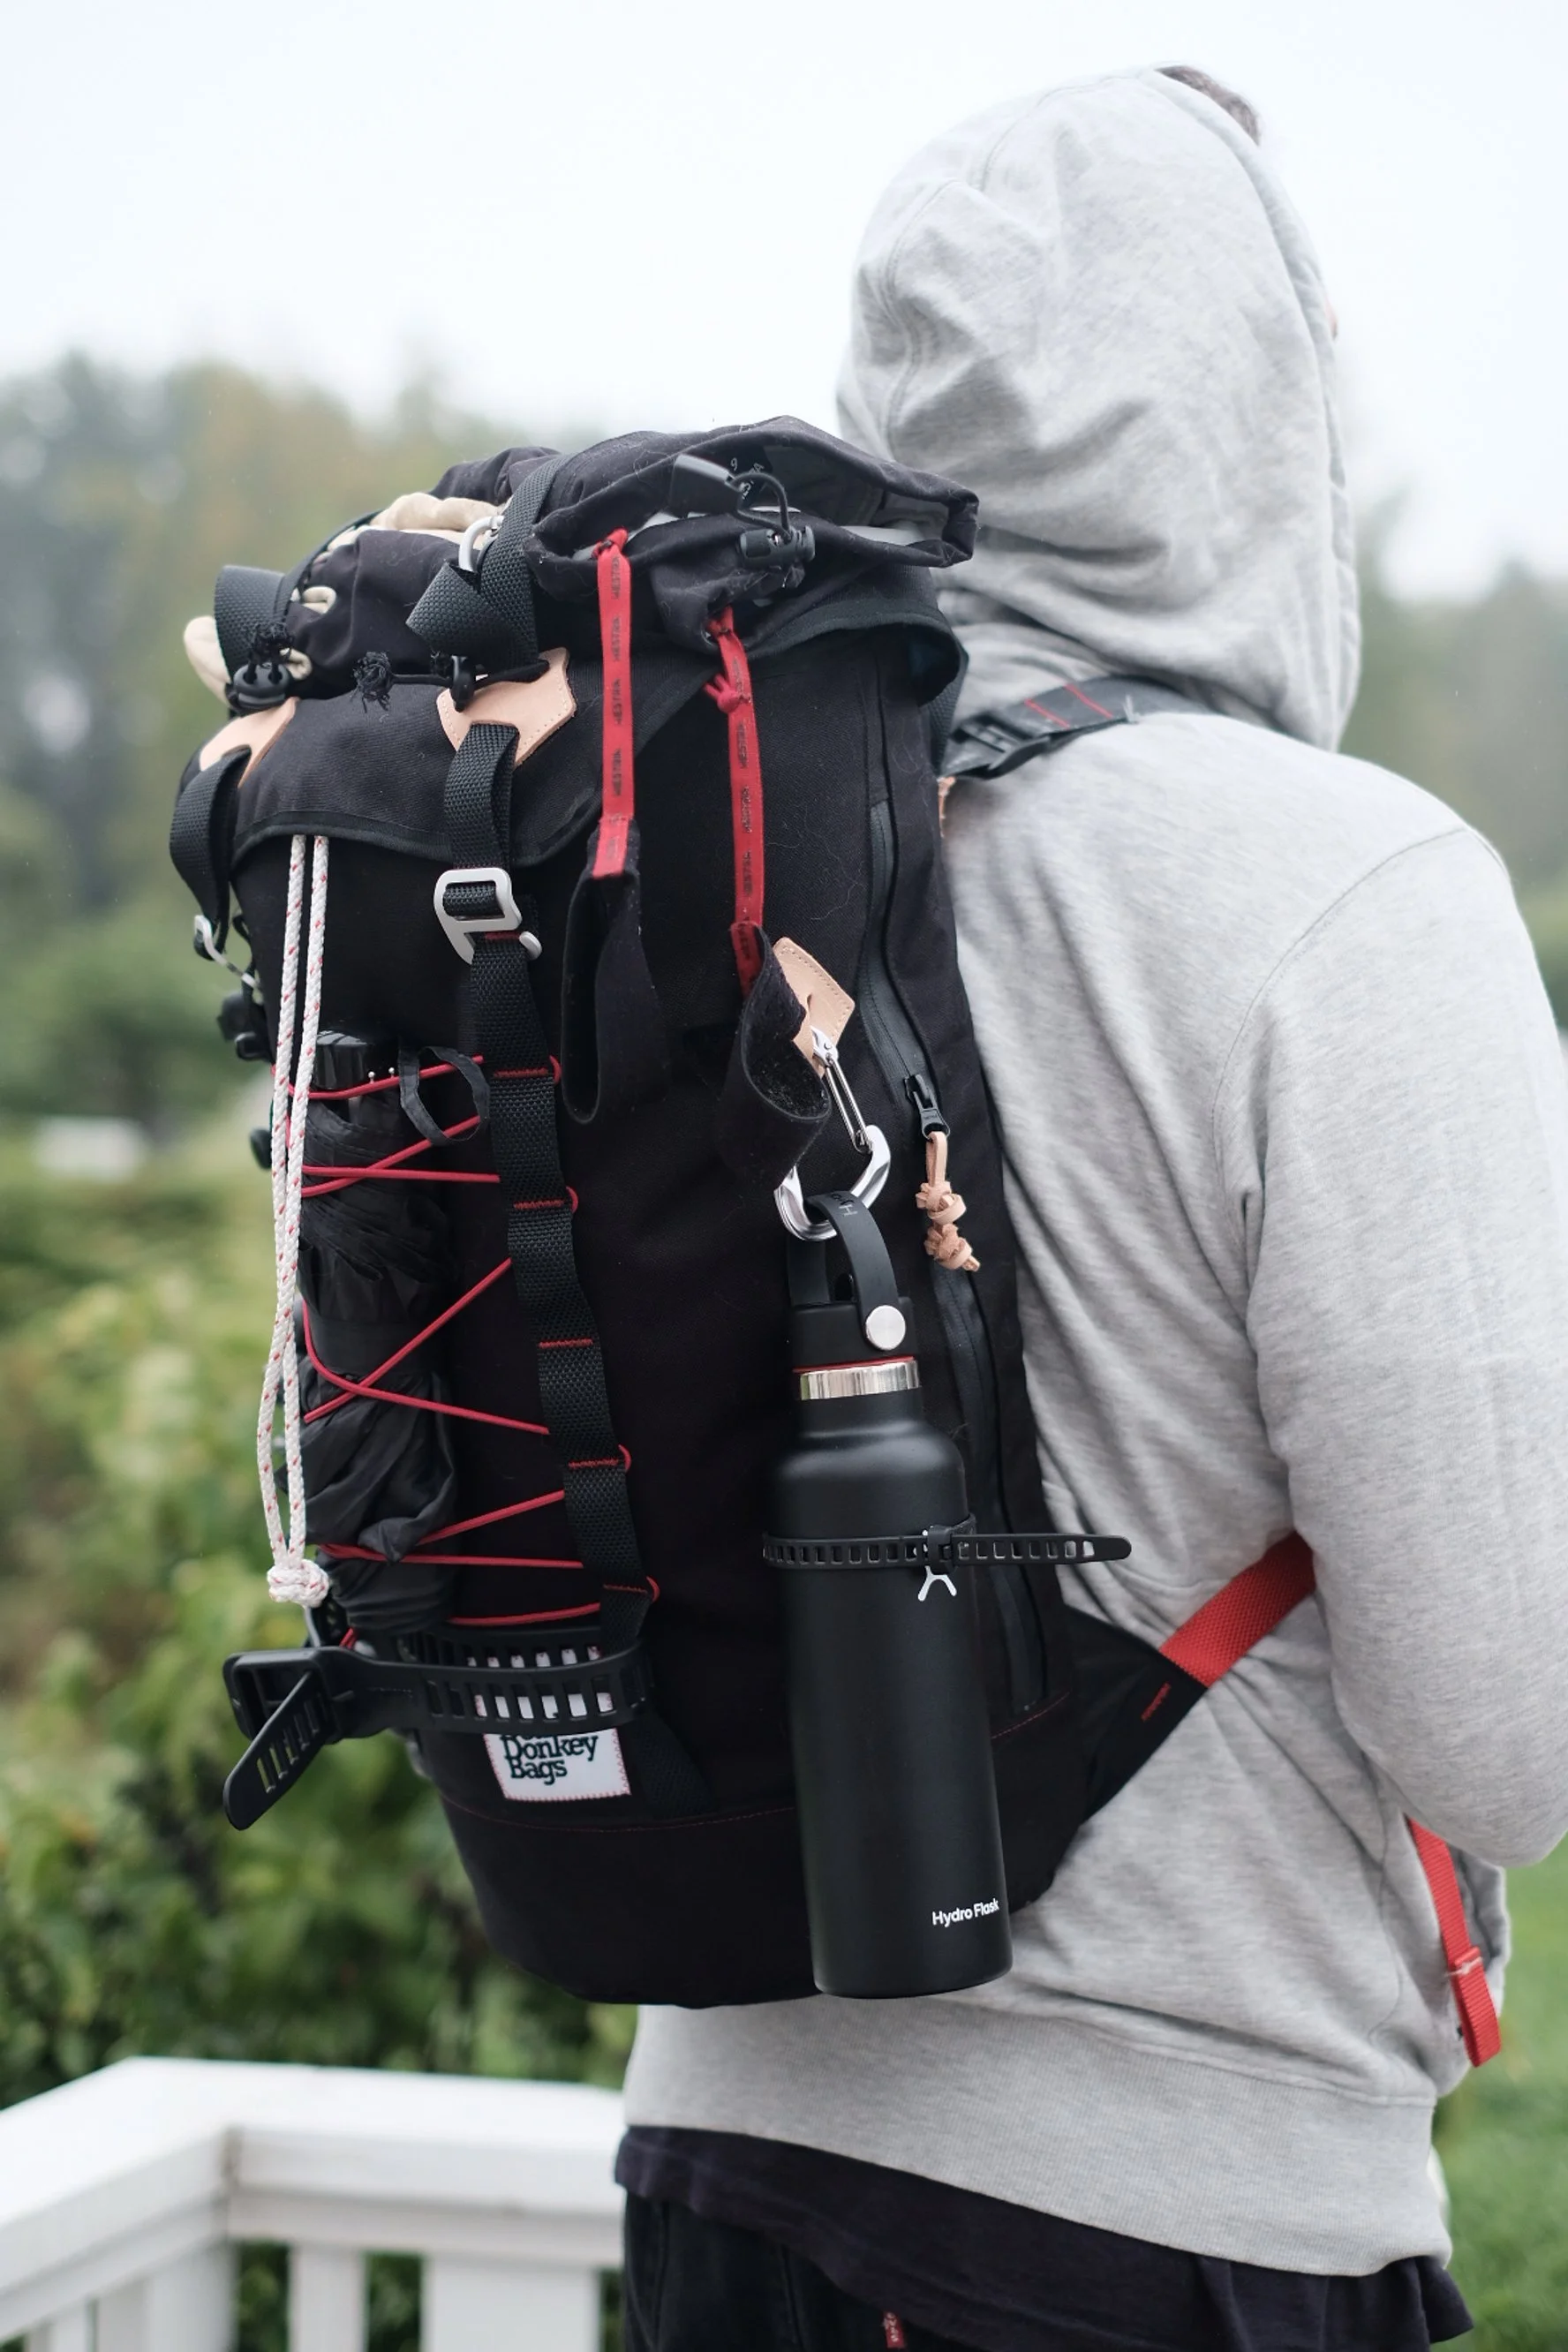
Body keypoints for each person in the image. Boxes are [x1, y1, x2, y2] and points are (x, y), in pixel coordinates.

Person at [614, 64, 1568, 2351]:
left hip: (717, 2158)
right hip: (1163, 2227)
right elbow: (1502, 1732)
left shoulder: (691, 846)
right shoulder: (1345, 892)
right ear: (1265, 410)